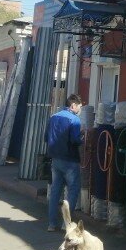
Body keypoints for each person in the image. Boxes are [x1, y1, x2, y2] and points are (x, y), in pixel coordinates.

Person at [46, 94, 83, 232]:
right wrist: (83, 137)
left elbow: (46, 137)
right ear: (73, 105)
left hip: (55, 159)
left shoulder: (53, 117)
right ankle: (65, 225)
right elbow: (75, 140)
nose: (80, 109)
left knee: (55, 191)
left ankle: (51, 224)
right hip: (70, 160)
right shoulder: (75, 120)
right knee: (73, 190)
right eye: (79, 107)